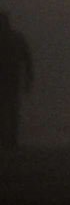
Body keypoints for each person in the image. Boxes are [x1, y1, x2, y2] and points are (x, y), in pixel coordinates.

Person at [1, 12, 32, 149]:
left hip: (11, 79)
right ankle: (9, 139)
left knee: (11, 110)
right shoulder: (17, 38)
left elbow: (27, 60)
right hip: (10, 78)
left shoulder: (16, 39)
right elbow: (27, 60)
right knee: (9, 110)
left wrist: (28, 78)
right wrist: (28, 78)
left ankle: (10, 139)